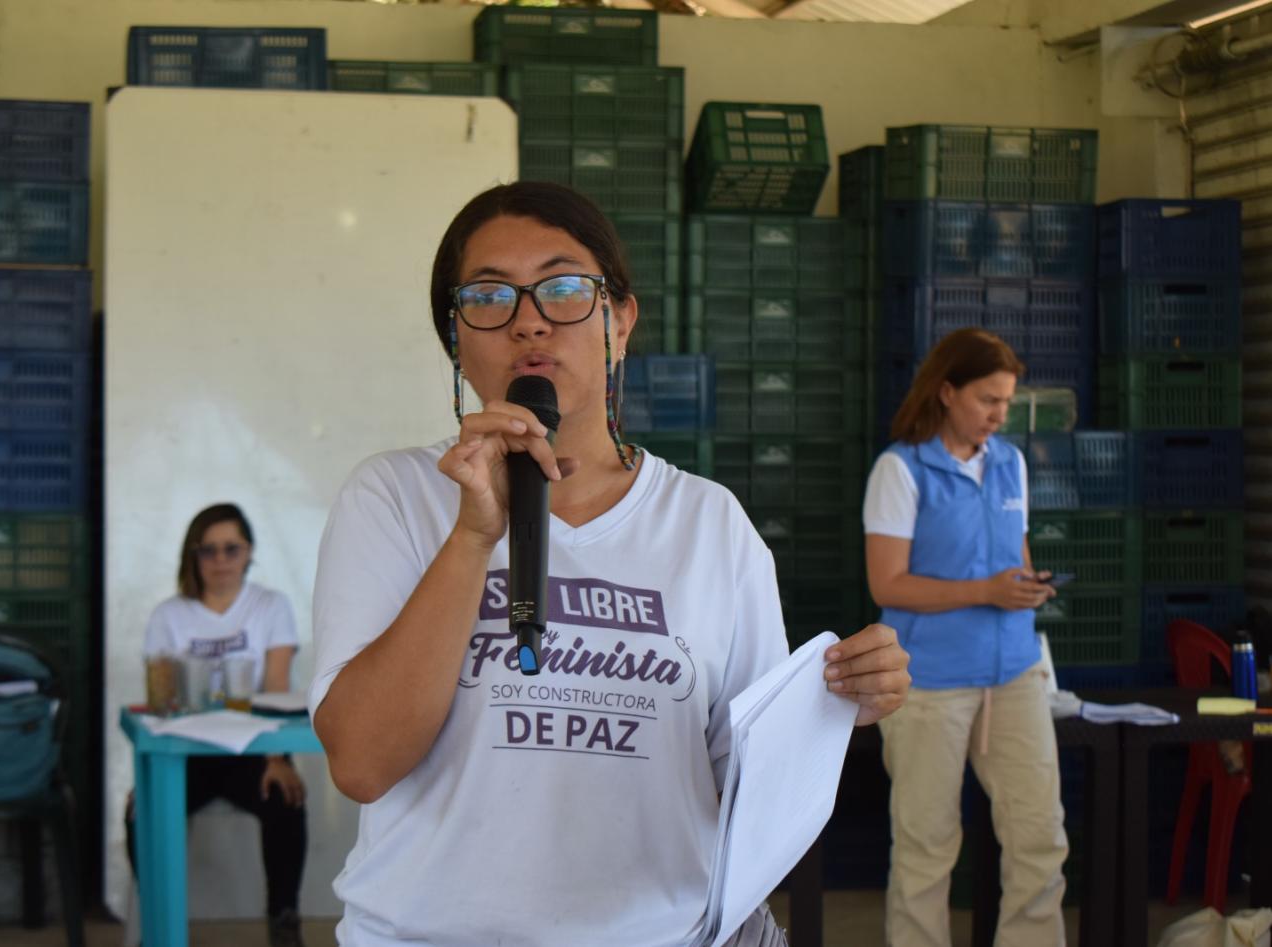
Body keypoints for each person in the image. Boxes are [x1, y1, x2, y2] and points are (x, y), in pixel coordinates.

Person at [308, 180, 912, 947]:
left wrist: (832, 708)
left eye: (564, 288)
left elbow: (744, 781)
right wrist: (472, 537)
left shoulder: (709, 524)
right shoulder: (394, 497)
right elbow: (362, 762)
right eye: (489, 296)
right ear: (456, 338)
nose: (529, 319)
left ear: (619, 322)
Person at [863, 329, 1068, 946]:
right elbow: (887, 583)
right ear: (947, 391)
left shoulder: (1011, 463)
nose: (999, 415)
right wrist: (986, 591)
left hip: (1016, 674)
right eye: (988, 399)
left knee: (1040, 837)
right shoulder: (899, 469)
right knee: (926, 846)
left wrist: (1027, 586)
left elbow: (1015, 555)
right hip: (929, 685)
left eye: (1006, 401)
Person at [126, 503, 308, 947]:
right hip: (186, 754)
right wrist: (146, 778)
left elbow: (278, 689)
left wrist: (278, 759)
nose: (221, 559)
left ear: (249, 552)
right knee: (140, 812)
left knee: (286, 801)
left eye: (232, 548)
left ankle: (284, 924)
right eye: (209, 550)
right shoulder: (169, 615)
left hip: (251, 750)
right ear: (193, 555)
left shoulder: (270, 606)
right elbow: (161, 702)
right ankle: (158, 923)